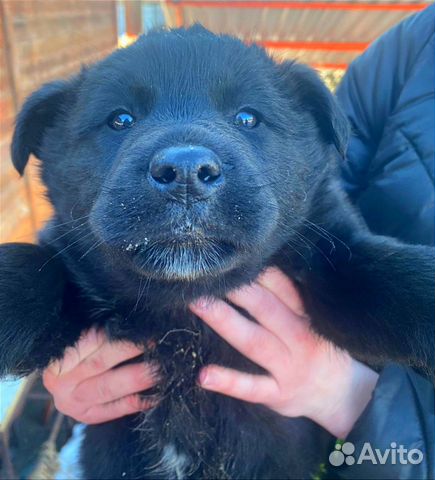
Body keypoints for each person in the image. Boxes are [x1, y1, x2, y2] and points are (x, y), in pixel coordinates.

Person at [43, 5, 434, 479]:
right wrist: (56, 368)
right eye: (120, 120)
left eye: (248, 118)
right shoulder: (415, 47)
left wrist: (347, 396)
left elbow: (363, 275)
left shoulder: (329, 254)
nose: (186, 165)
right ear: (47, 145)